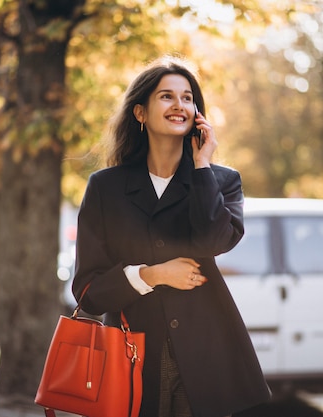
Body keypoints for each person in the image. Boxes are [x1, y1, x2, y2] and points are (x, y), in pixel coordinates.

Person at [72, 55, 271, 417]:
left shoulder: (220, 180)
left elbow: (214, 241)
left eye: (187, 97)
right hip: (131, 356)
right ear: (140, 113)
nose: (179, 104)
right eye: (166, 96)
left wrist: (202, 166)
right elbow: (88, 293)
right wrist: (152, 275)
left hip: (204, 358)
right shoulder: (105, 188)